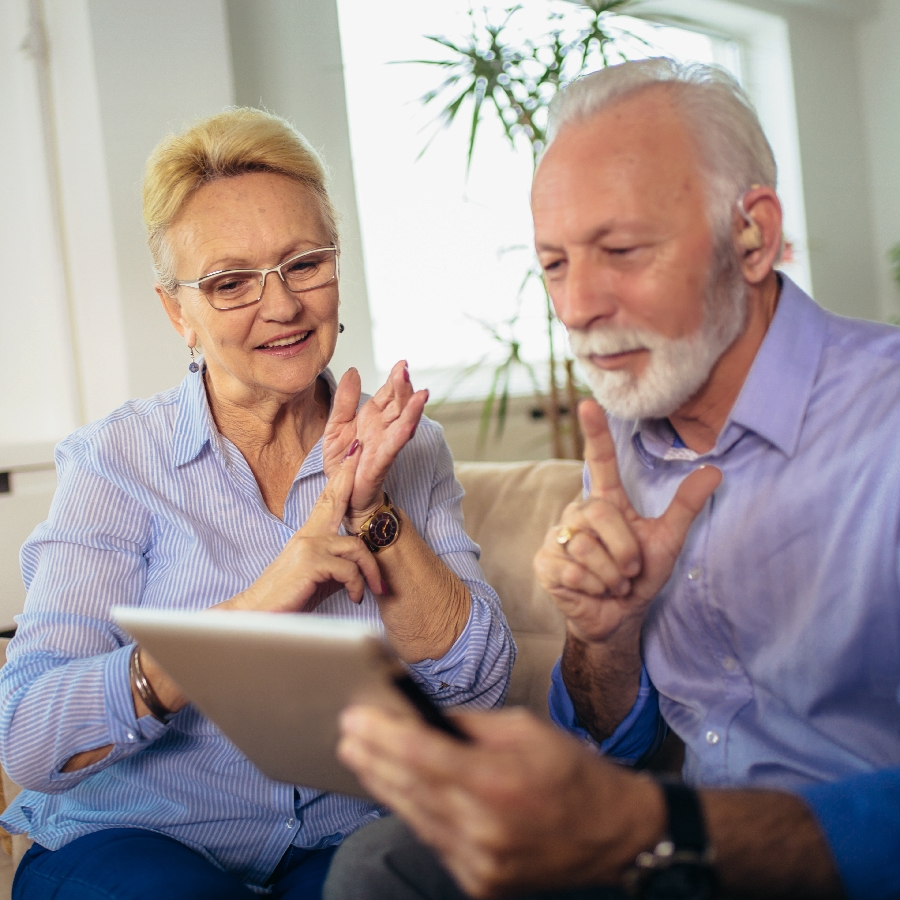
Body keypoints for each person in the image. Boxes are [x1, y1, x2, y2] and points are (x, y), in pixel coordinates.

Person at [322, 59, 900, 899]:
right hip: (673, 857)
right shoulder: (627, 429)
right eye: (554, 264)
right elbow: (606, 738)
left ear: (754, 236)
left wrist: (657, 829)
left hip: (835, 867)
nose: (578, 305)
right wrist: (605, 632)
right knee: (385, 864)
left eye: (621, 250)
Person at [0, 107, 514, 900]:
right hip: (136, 836)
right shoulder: (115, 462)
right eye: (231, 282)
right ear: (180, 314)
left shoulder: (407, 444)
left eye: (304, 264)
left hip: (343, 838)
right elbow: (29, 737)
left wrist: (374, 508)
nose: (282, 308)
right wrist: (240, 621)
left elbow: (478, 687)